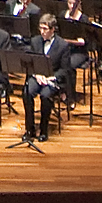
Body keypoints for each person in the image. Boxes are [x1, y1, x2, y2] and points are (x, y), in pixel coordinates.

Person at [24, 13, 70, 143]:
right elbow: (30, 62)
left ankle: (44, 130)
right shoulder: (35, 41)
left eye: (45, 29)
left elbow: (65, 70)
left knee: (45, 96)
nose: (42, 32)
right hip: (37, 76)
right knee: (27, 91)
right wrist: (37, 75)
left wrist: (51, 78)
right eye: (41, 28)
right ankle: (30, 129)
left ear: (52, 29)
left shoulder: (63, 45)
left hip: (52, 79)